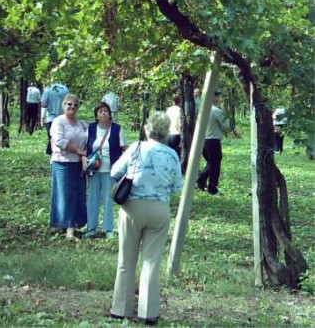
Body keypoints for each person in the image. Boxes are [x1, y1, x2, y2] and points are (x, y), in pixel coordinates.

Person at [110, 111, 183, 325]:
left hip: (132, 207)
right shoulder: (172, 155)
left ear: (147, 128)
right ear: (167, 132)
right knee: (151, 261)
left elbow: (115, 171)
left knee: (126, 259)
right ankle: (148, 312)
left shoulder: (136, 147)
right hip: (159, 209)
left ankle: (120, 309)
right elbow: (177, 187)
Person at [83, 102, 127, 239]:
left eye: (106, 111)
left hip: (110, 170)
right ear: (96, 115)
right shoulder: (90, 129)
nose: (103, 113)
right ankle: (91, 228)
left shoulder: (117, 129)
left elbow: (124, 149)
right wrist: (84, 159)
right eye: (100, 111)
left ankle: (109, 229)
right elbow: (84, 147)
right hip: (94, 170)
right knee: (92, 199)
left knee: (109, 199)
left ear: (110, 114)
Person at [50, 94, 87, 240]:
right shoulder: (58, 121)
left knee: (77, 196)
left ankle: (73, 226)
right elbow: (59, 140)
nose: (72, 107)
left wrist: (83, 155)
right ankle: (66, 228)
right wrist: (77, 150)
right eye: (69, 104)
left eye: (75, 105)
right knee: (64, 195)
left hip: (78, 164)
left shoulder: (82, 124)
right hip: (62, 162)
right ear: (63, 105)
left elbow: (88, 141)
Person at [197, 91, 230, 195]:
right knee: (215, 164)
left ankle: (202, 180)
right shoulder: (216, 111)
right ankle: (211, 187)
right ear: (214, 97)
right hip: (213, 140)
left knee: (211, 162)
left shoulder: (202, 109)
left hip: (203, 140)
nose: (220, 99)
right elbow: (226, 126)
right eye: (219, 96)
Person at [41, 82, 69, 155]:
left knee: (52, 137)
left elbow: (43, 104)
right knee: (62, 136)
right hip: (64, 118)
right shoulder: (65, 90)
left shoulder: (48, 90)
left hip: (51, 118)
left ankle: (52, 153)